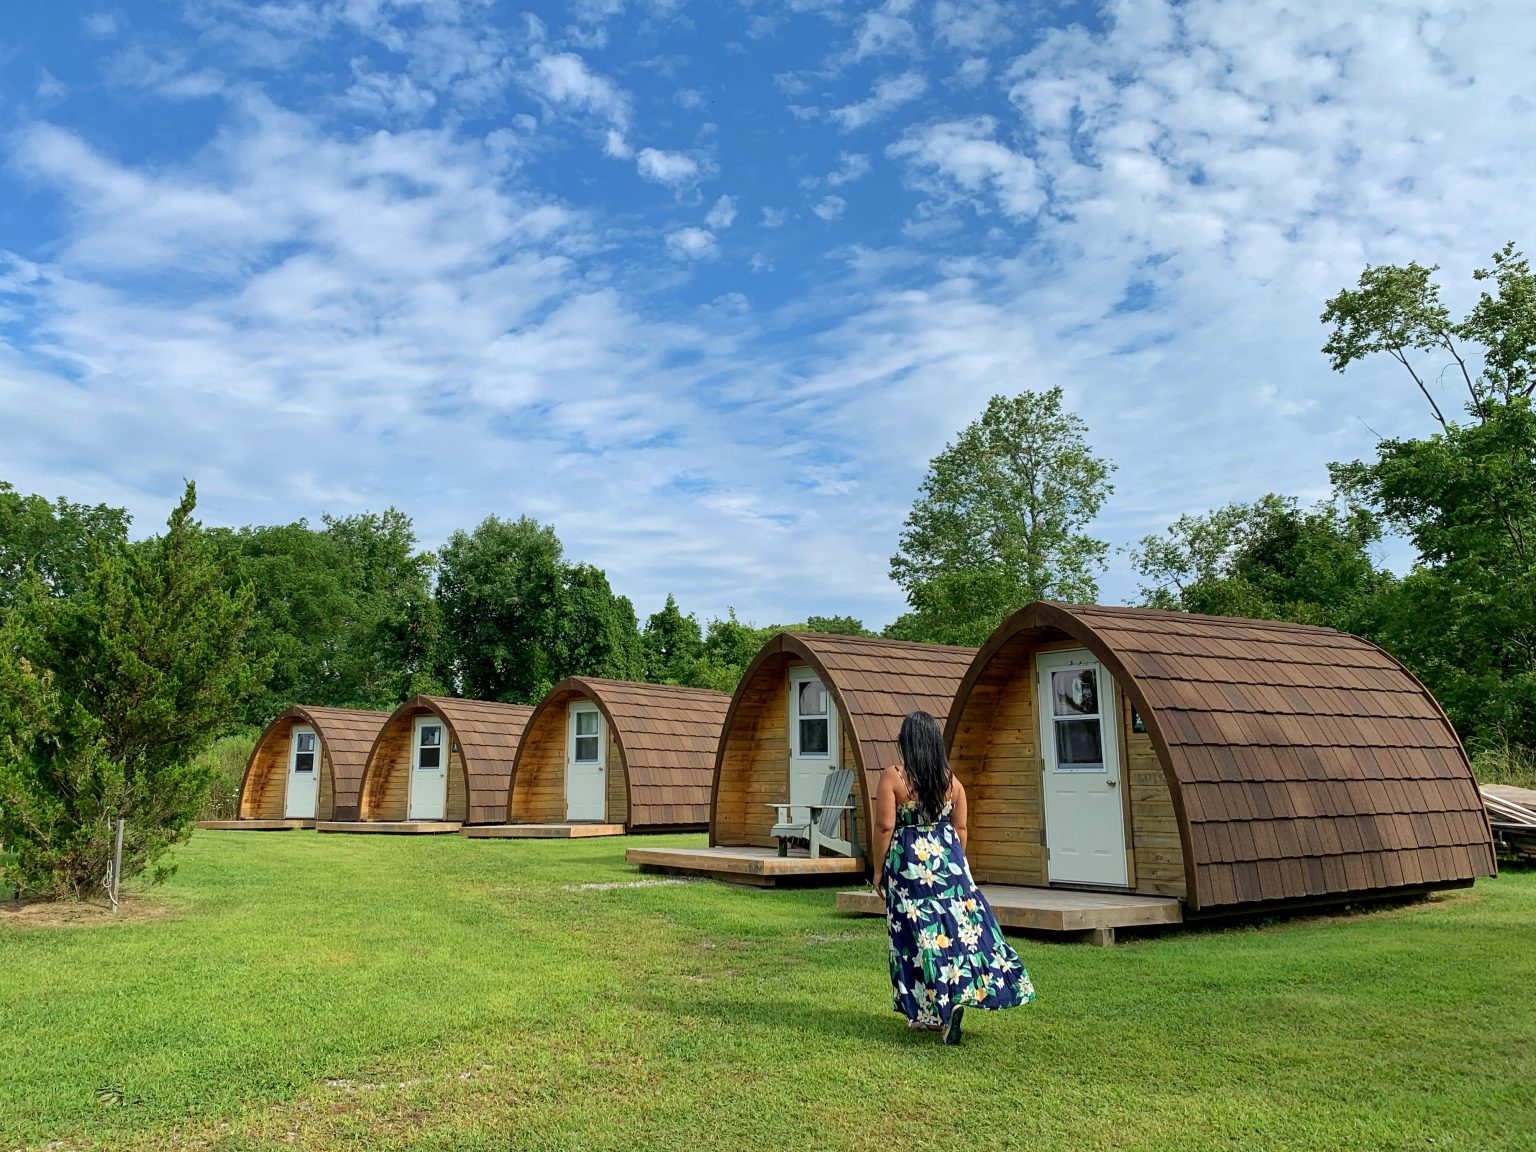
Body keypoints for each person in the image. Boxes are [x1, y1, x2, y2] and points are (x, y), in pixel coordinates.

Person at [872, 710, 1035, 1044]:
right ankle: (953, 1000)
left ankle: (932, 1014)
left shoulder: (894, 778)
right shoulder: (951, 781)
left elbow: (885, 827)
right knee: (957, 934)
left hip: (910, 868)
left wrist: (878, 869)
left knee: (918, 940)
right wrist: (954, 863)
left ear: (906, 742)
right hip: (951, 866)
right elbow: (960, 828)